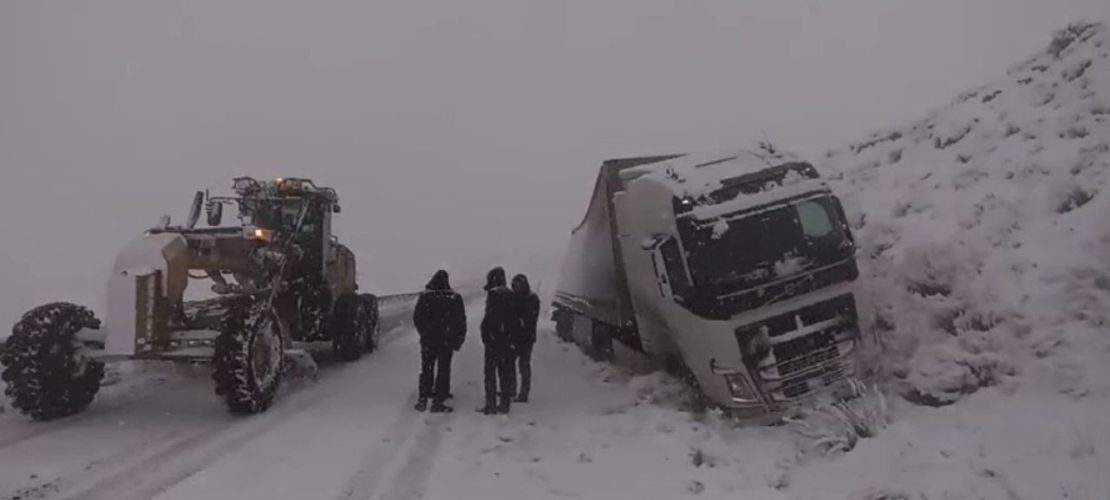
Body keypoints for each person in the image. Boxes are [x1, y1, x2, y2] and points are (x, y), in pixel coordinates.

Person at [412, 270, 466, 413]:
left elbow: (417, 317)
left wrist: (424, 332)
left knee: (426, 368)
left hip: (428, 340)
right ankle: (439, 400)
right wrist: (458, 338)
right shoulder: (454, 298)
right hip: (445, 341)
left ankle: (423, 398)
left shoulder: (425, 297)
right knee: (444, 369)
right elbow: (460, 320)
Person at [479, 267, 516, 415]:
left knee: (490, 373)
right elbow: (515, 319)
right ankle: (505, 404)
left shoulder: (494, 294)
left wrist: (486, 335)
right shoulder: (511, 294)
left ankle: (491, 404)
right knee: (505, 372)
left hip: (494, 340)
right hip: (507, 340)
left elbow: (490, 319)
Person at [510, 274, 540, 403]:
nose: (515, 288)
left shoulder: (531, 299)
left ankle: (523, 393)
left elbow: (529, 317)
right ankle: (512, 390)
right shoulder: (522, 298)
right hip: (518, 336)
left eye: (517, 285)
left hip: (525, 337)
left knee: (523, 366)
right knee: (513, 364)